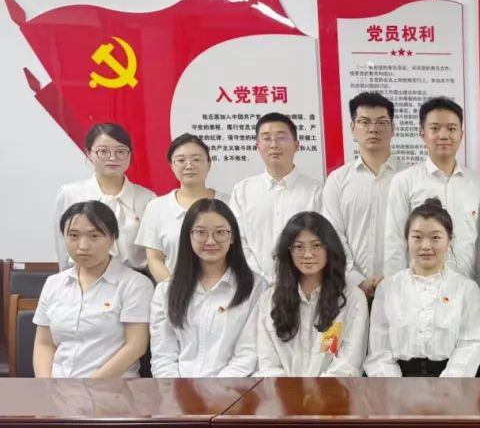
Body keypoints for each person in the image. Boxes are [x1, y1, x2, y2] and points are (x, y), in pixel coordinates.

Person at [365, 198, 480, 377]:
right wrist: (395, 388)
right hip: (396, 382)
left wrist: (446, 387)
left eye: (435, 237)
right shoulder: (388, 288)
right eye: (417, 237)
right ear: (407, 240)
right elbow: (379, 351)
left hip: (453, 383)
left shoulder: (466, 289)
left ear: (449, 241)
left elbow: (471, 344)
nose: (426, 246)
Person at [33, 200, 153, 378]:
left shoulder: (135, 285)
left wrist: (88, 386)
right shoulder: (53, 284)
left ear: (112, 238)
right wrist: (46, 385)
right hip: (57, 388)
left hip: (111, 388)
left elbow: (136, 346)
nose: (83, 246)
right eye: (73, 235)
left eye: (94, 236)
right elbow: (44, 344)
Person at [149, 199, 264, 377]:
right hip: (178, 389)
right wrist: (179, 390)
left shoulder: (255, 287)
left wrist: (213, 390)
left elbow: (247, 355)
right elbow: (163, 356)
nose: (210, 241)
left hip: (233, 388)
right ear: (188, 236)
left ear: (233, 237)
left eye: (220, 232)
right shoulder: (166, 291)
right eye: (201, 232)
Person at [250, 212, 368, 376]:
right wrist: (290, 391)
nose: (308, 254)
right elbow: (268, 365)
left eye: (316, 245)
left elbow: (348, 366)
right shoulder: (270, 299)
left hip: (334, 390)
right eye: (299, 247)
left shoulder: (352, 298)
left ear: (330, 248)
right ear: (288, 251)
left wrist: (316, 392)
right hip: (282, 390)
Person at [384, 97, 480, 284]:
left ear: (461, 134)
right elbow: (395, 241)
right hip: (418, 287)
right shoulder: (404, 181)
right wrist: (395, 287)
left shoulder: (476, 183)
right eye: (435, 128)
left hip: (465, 286)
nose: (443, 135)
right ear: (422, 133)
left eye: (451, 129)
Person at [322, 92, 401, 298]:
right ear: (352, 129)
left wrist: (393, 277)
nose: (373, 129)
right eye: (364, 122)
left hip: (400, 288)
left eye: (382, 122)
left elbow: (418, 234)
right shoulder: (338, 180)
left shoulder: (409, 178)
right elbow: (332, 235)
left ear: (393, 128)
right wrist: (357, 279)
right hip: (349, 290)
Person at [228, 112, 323, 280]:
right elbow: (236, 240)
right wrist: (260, 279)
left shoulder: (316, 191)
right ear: (258, 146)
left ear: (296, 145)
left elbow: (323, 242)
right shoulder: (242, 191)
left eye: (281, 138)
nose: (273, 145)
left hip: (303, 284)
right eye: (266, 138)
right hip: (253, 286)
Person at [55, 123, 155, 271]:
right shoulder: (70, 194)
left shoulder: (147, 198)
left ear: (130, 154)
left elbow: (153, 254)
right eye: (103, 151)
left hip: (136, 279)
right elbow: (63, 249)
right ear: (89, 153)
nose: (113, 158)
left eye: (121, 151)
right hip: (83, 277)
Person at [136, 134, 227, 283]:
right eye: (181, 160)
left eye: (196, 159)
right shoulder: (156, 207)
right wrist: (173, 289)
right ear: (171, 165)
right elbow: (154, 258)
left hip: (224, 290)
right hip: (174, 291)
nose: (189, 165)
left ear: (209, 163)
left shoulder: (230, 203)